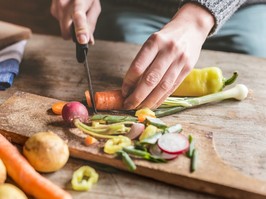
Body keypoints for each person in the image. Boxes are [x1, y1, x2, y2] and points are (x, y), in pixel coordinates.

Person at [50, 0, 266, 110]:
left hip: (240, 10)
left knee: (254, 53)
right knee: (132, 63)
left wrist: (198, 17)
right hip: (134, 8)